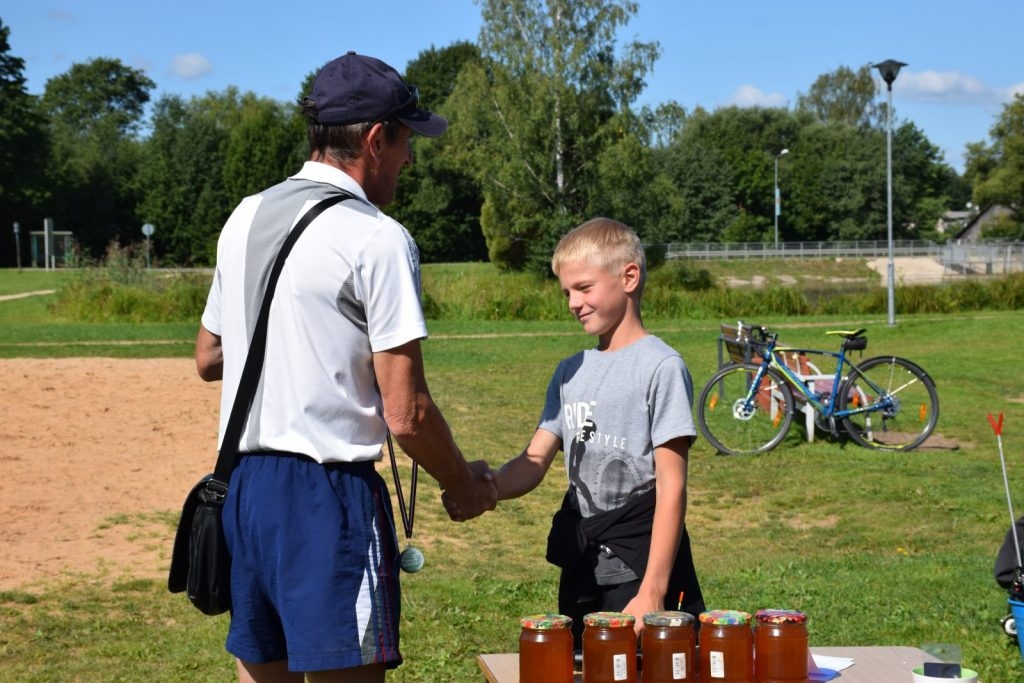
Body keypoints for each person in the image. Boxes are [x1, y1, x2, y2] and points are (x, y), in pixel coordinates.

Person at [195, 51, 497, 683]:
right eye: (406, 140)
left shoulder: (244, 216)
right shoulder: (377, 237)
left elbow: (210, 355)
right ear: (374, 138)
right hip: (326, 499)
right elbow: (406, 414)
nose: (409, 159)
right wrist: (462, 485)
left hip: (246, 488)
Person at [445, 217, 705, 647]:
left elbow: (673, 488)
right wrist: (486, 490)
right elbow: (533, 462)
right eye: (566, 292)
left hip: (640, 567)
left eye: (584, 288)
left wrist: (654, 591)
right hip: (582, 564)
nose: (572, 302)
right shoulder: (570, 372)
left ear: (629, 277)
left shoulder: (661, 368)